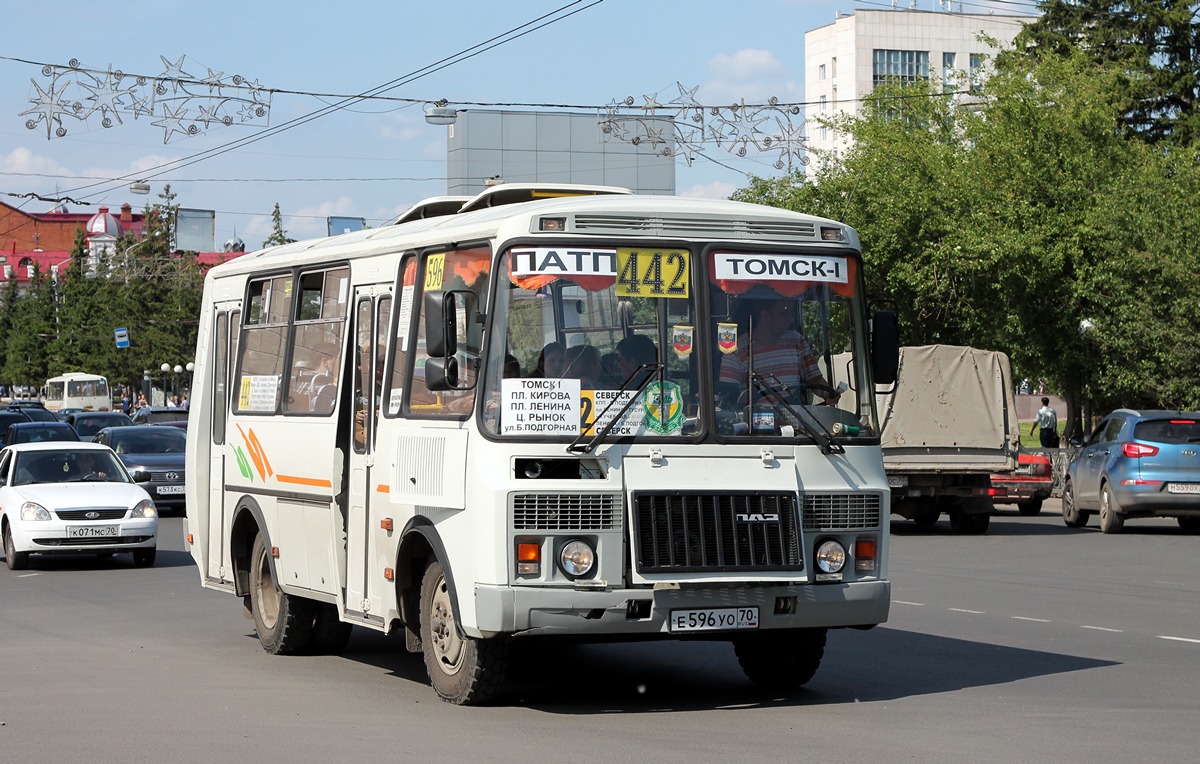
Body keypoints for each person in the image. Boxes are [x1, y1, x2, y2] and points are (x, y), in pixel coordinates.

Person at [718, 299, 839, 405]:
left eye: (790, 312)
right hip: (755, 425)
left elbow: (815, 380)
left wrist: (827, 393)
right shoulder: (736, 351)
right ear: (765, 315)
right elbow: (730, 397)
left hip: (799, 421)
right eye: (784, 313)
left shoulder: (797, 341)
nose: (791, 319)